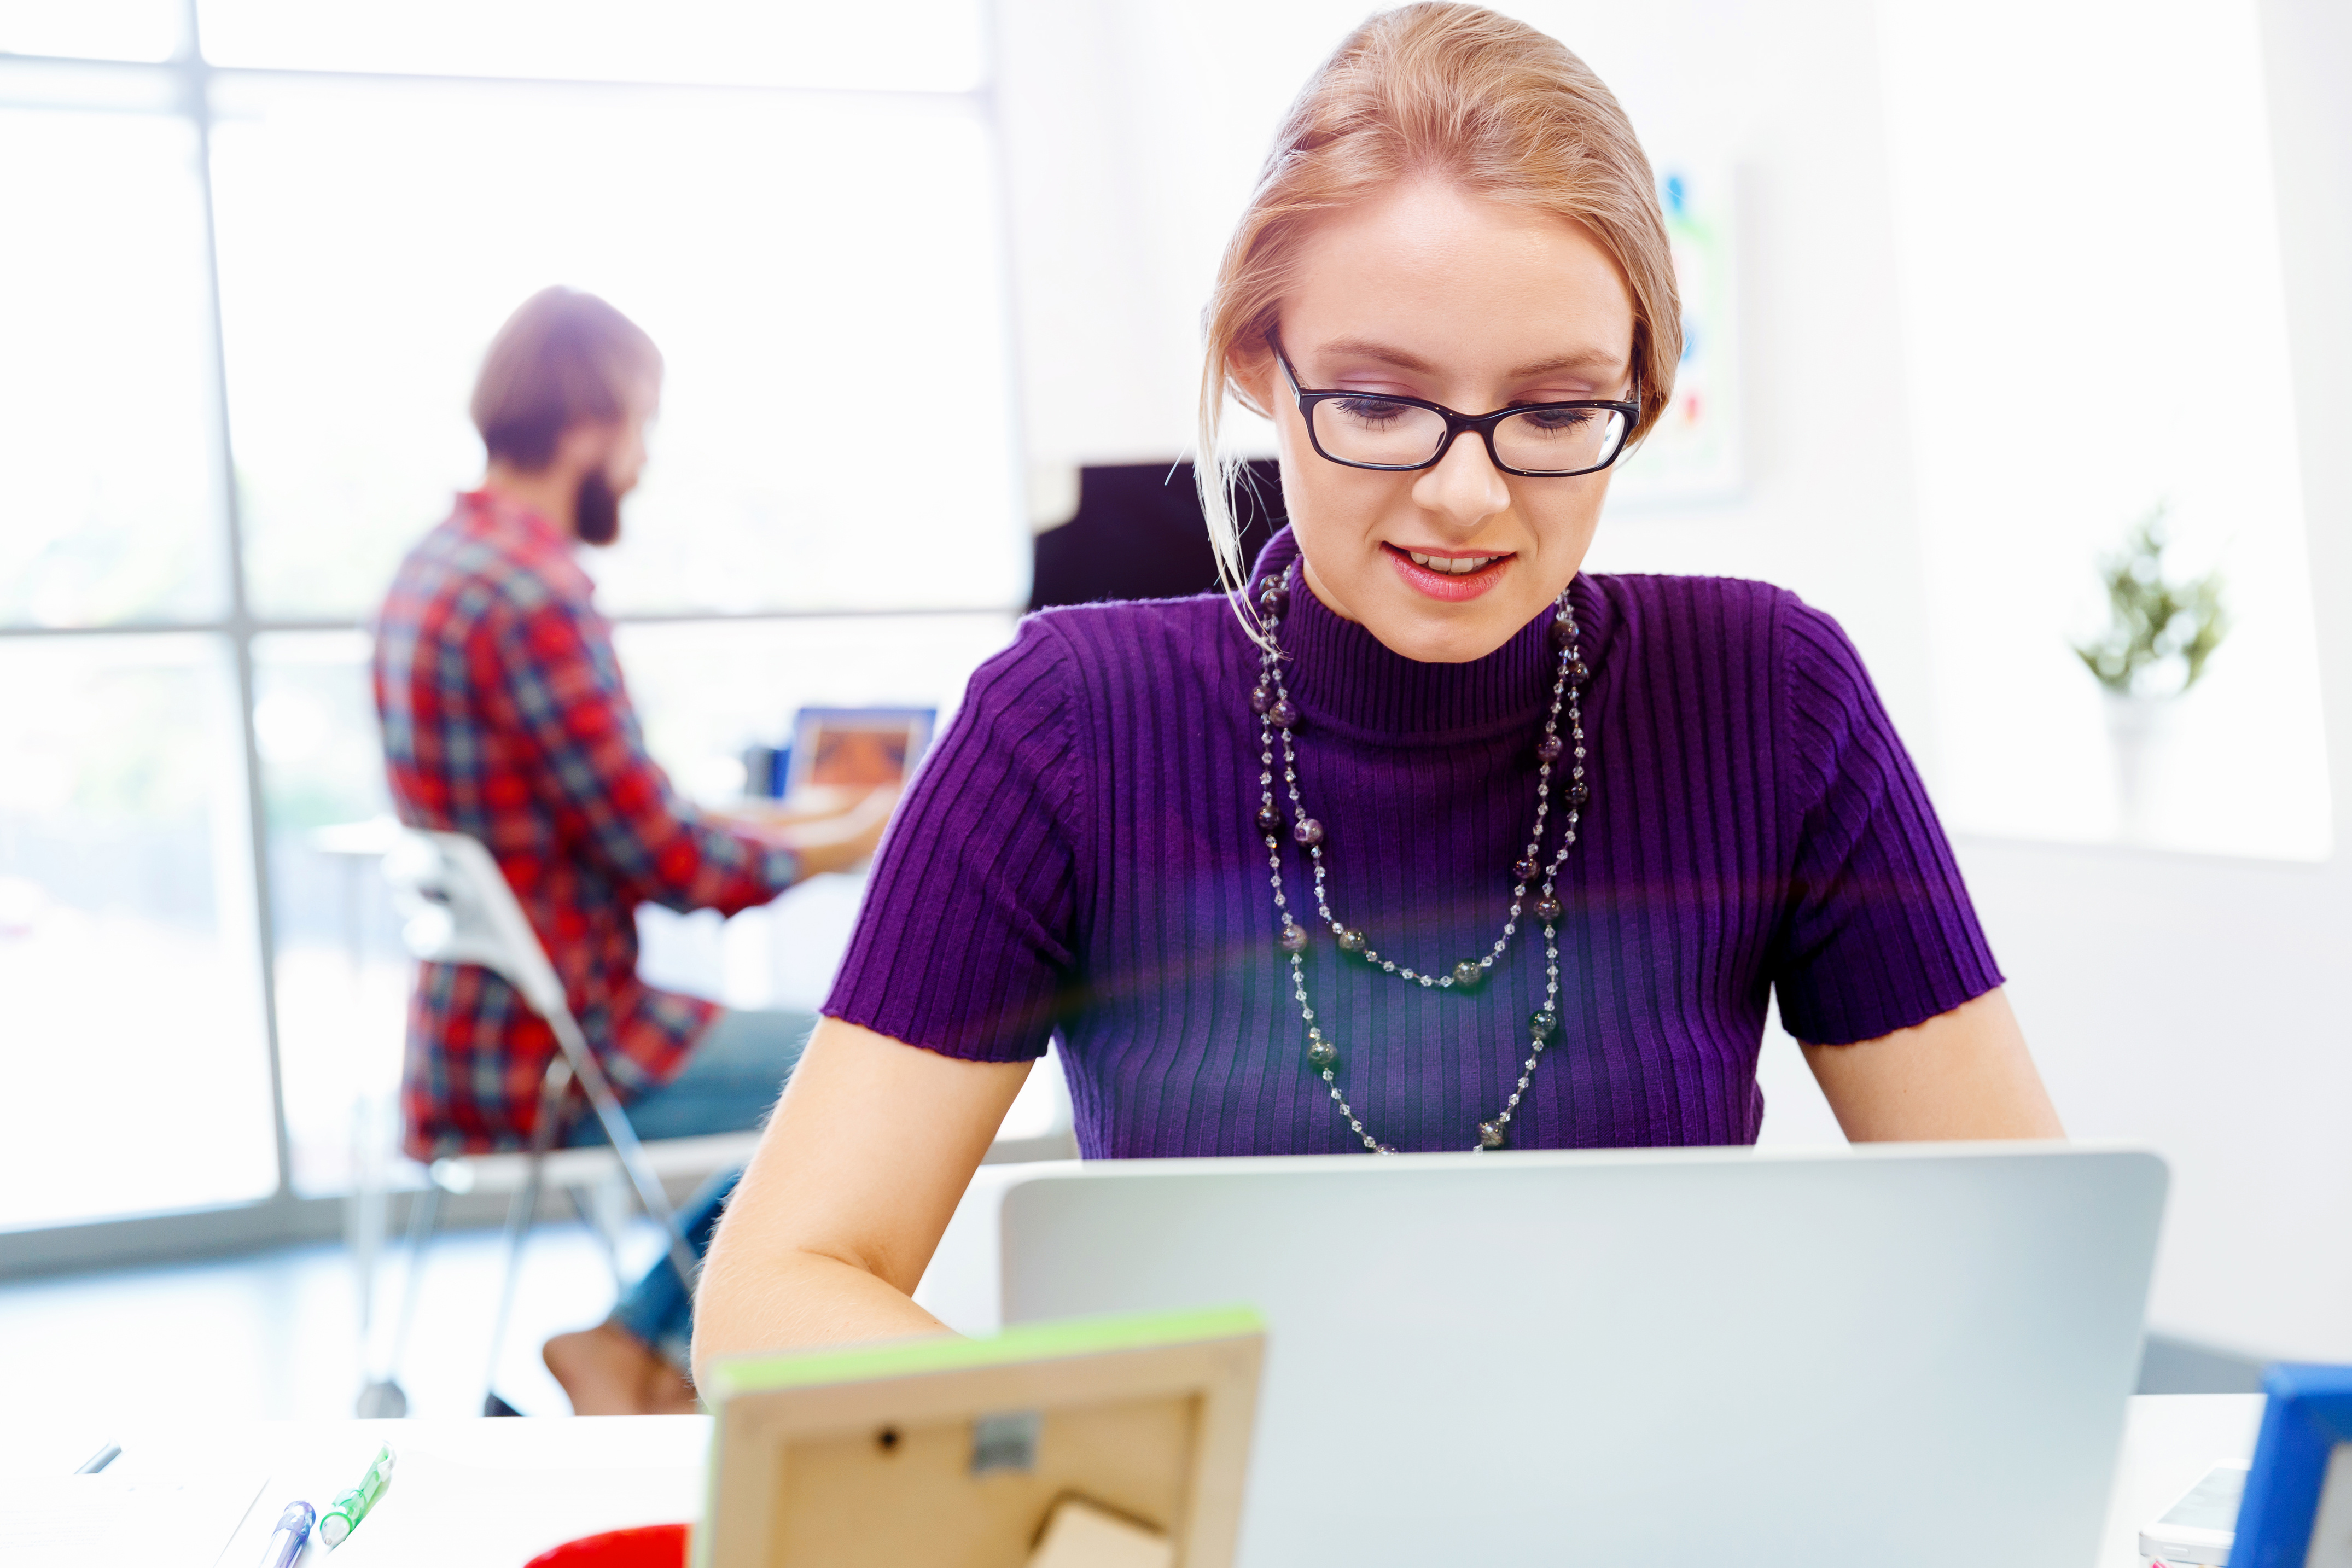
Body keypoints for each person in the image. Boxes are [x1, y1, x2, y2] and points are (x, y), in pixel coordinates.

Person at [689, 2, 2065, 1371]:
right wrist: (1095, 1474)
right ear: (1254, 362)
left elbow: (2024, 1267)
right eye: (1377, 403)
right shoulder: (1063, 730)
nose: (1464, 495)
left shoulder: (1771, 703)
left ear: (1639, 397)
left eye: (1551, 412)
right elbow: (777, 1288)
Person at [371, 287, 892, 1414]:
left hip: (475, 1043)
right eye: (641, 426)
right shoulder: (532, 599)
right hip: (565, 1055)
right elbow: (671, 863)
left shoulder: (437, 569)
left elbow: (601, 818)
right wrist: (843, 846)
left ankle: (647, 1346)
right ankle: (637, 1335)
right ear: (593, 421)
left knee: (848, 1064)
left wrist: (797, 829)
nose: (644, 463)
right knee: (871, 1067)